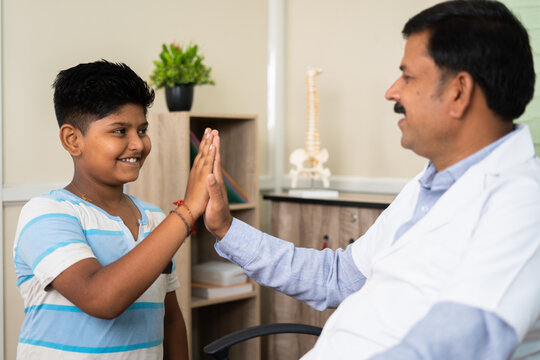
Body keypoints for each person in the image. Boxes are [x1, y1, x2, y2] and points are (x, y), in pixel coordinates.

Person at [202, 1, 540, 359]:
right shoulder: (426, 188)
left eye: (408, 77)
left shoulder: (523, 203)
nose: (392, 91)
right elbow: (336, 278)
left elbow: (451, 348)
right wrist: (226, 228)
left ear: (459, 92)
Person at [13, 60, 219, 359]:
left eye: (142, 130)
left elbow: (171, 320)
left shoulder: (155, 219)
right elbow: (101, 299)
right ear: (73, 140)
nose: (138, 144)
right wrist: (187, 211)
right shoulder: (46, 213)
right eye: (120, 131)